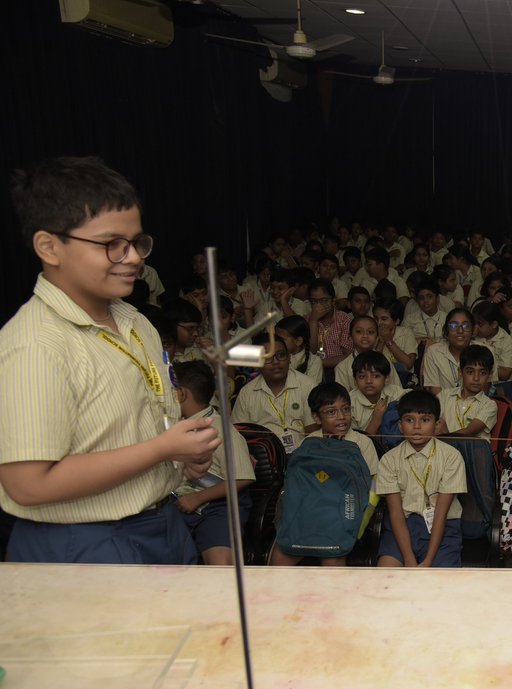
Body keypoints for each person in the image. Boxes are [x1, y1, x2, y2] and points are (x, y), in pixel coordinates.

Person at [1, 156, 219, 564]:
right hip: (80, 542)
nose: (134, 257)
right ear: (49, 246)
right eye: (111, 245)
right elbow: (28, 485)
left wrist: (179, 456)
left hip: (160, 521)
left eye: (138, 242)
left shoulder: (136, 322)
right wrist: (160, 449)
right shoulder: (35, 345)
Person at [270, 382, 380, 567]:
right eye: (331, 412)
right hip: (309, 514)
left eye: (346, 409)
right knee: (281, 556)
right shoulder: (309, 442)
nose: (341, 417)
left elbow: (373, 488)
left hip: (343, 516)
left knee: (333, 558)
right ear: (316, 417)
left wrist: (357, 525)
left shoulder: (363, 443)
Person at [171, 361, 255, 566]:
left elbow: (243, 477)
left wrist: (197, 498)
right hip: (180, 500)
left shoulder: (221, 428)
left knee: (219, 563)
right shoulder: (174, 426)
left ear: (181, 394)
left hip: (218, 503)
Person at [376, 390, 467, 568]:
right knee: (386, 574)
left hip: (443, 529)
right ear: (400, 425)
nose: (416, 426)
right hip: (402, 527)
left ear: (437, 425)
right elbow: (395, 513)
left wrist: (428, 561)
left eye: (425, 420)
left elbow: (441, 514)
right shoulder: (389, 459)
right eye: (409, 420)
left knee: (438, 583)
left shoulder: (451, 457)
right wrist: (409, 559)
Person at [231, 333, 319, 453]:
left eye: (281, 355)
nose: (276, 362)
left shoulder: (308, 386)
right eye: (267, 357)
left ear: (289, 357)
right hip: (263, 459)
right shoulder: (247, 393)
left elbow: (313, 433)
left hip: (303, 455)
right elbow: (239, 436)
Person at [438, 345, 497, 441]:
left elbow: (469, 432)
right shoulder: (445, 395)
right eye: (470, 372)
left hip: (472, 452)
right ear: (460, 372)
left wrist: (444, 435)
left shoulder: (489, 405)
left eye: (483, 373)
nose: (476, 378)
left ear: (490, 375)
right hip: (443, 453)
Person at [349, 351, 405, 434]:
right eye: (362, 376)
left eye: (376, 376)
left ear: (386, 379)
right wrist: (376, 420)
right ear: (355, 380)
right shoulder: (349, 403)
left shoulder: (397, 394)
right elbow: (358, 444)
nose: (368, 381)